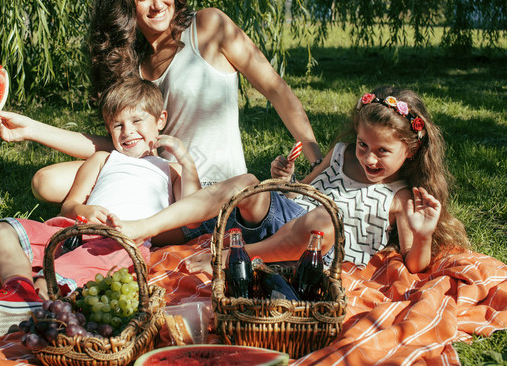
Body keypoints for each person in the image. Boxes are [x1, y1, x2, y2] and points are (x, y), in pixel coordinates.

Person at [0, 0, 323, 204]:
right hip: (156, 176)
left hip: (212, 185)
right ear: (125, 3)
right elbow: (119, 142)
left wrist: (317, 160)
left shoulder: (208, 27)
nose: (158, 3)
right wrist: (30, 128)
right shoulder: (127, 61)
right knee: (45, 181)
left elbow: (276, 90)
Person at [0, 77, 221, 343]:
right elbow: (70, 204)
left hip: (116, 242)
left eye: (137, 121)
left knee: (52, 279)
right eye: (117, 125)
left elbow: (189, 211)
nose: (127, 131)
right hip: (68, 228)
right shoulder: (103, 159)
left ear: (160, 120)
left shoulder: (169, 170)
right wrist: (83, 208)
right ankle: (18, 291)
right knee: (4, 229)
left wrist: (184, 158)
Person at [111, 86, 470, 274]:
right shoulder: (342, 152)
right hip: (284, 217)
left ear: (410, 150)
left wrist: (422, 234)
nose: (369, 157)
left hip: (315, 251)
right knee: (247, 181)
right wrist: (286, 178)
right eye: (364, 145)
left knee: (323, 220)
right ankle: (141, 228)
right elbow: (306, 190)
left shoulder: (401, 197)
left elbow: (415, 264)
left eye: (382, 151)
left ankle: (232, 258)